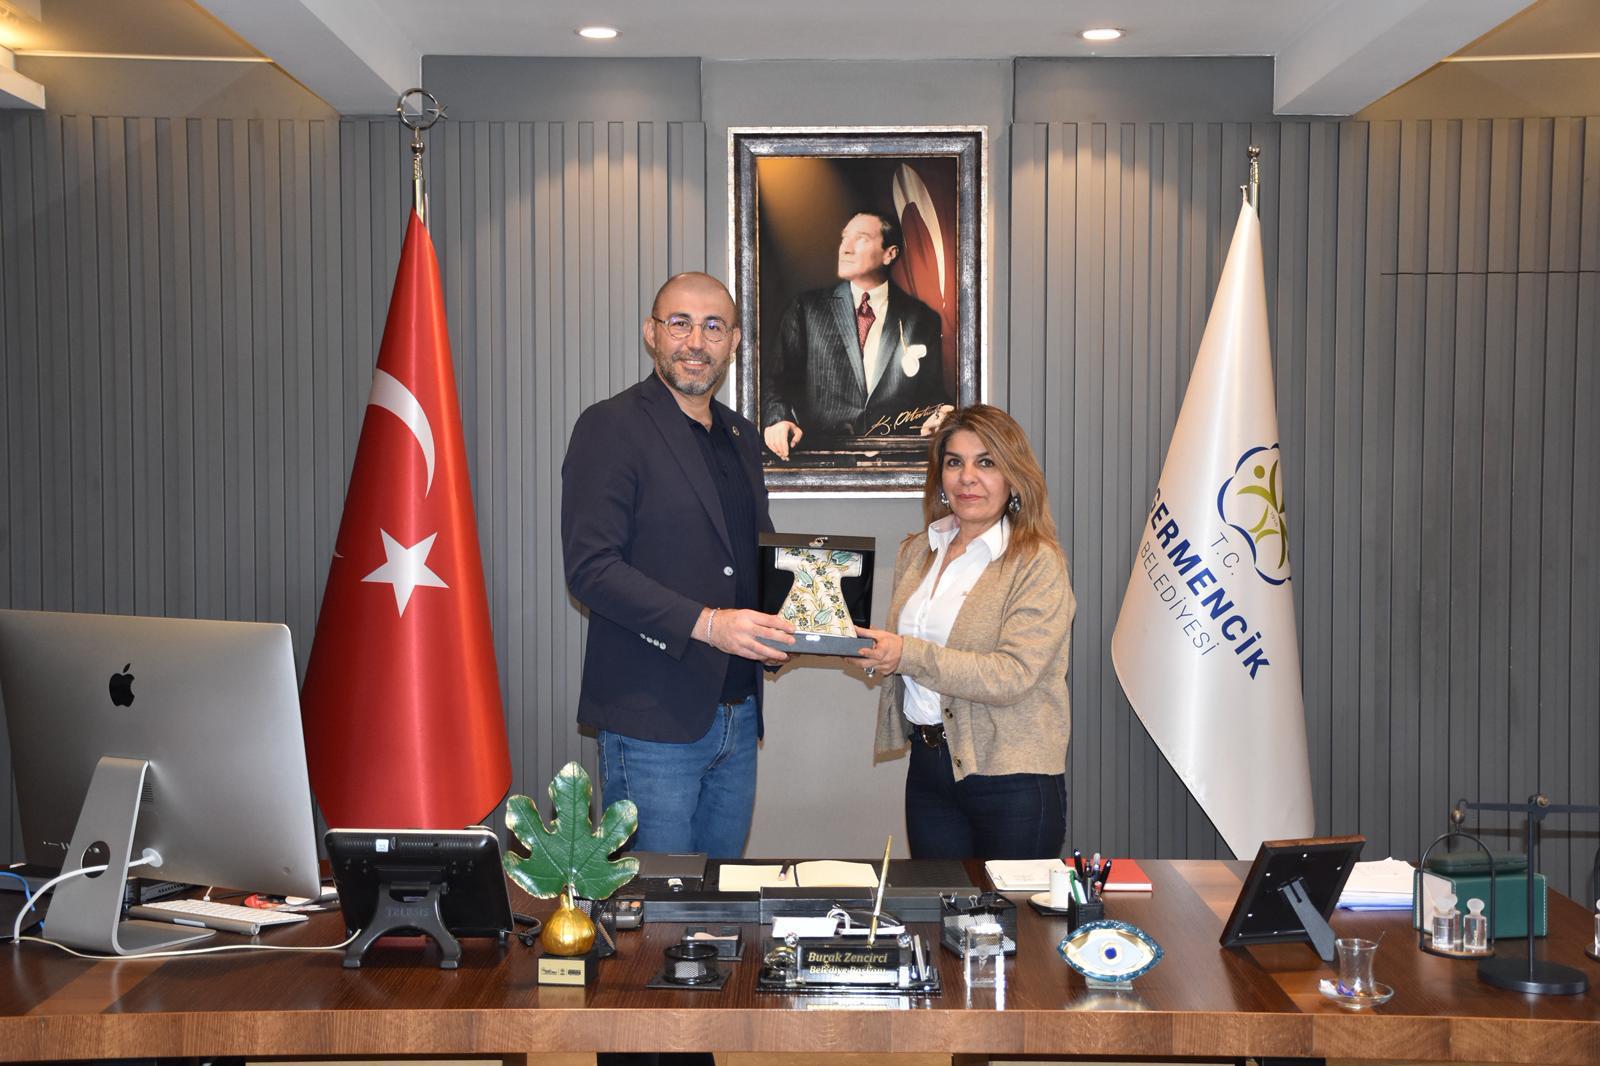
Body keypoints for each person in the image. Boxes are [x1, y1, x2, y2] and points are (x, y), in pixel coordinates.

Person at [561, 271, 796, 858]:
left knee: (718, 898)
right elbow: (591, 569)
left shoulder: (742, 435)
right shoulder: (611, 426)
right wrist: (709, 625)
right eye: (680, 324)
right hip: (651, 720)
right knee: (656, 902)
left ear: (734, 341)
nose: (696, 341)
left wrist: (795, 620)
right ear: (652, 333)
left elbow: (750, 558)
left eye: (713, 327)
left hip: (738, 715)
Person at [855, 405, 1075, 860]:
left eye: (986, 462)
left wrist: (905, 654)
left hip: (1013, 776)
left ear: (1014, 477)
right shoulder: (918, 550)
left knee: (1012, 908)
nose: (967, 477)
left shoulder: (1038, 561)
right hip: (929, 769)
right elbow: (909, 655)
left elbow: (1013, 674)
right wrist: (873, 651)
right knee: (940, 904)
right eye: (954, 462)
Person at [761, 211, 949, 459]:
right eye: (844, 238)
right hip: (822, 462)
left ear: (890, 254)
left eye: (860, 238)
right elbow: (774, 382)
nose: (845, 248)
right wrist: (778, 420)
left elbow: (931, 396)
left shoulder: (922, 318)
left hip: (895, 462)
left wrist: (941, 415)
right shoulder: (806, 309)